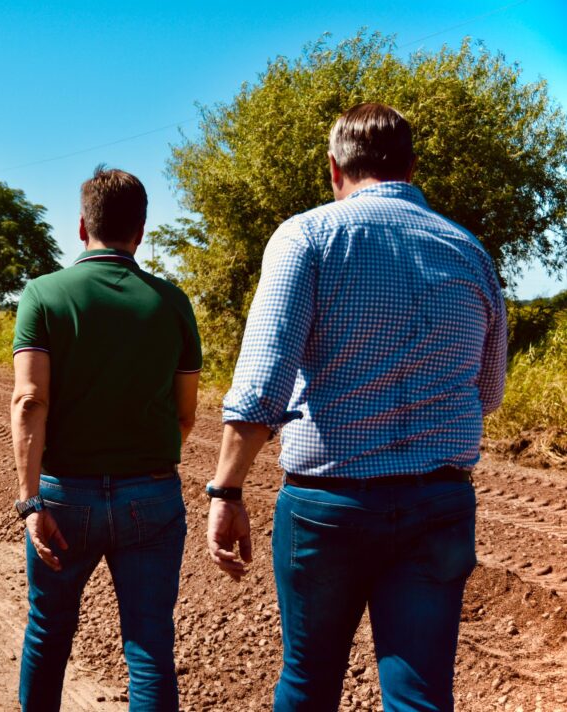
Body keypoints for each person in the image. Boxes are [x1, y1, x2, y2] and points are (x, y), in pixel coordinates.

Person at [204, 103, 507, 710]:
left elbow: (263, 386)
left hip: (328, 509)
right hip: (439, 503)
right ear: (412, 167)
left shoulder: (307, 237)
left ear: (333, 168)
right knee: (421, 695)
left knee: (308, 684)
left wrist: (227, 492)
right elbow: (489, 393)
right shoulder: (471, 252)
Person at [11, 166, 202, 711]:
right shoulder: (172, 303)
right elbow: (184, 415)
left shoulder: (43, 296)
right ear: (140, 231)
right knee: (148, 646)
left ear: (80, 227)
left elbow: (29, 401)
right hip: (153, 496)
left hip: (64, 496)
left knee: (49, 634)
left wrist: (30, 500)